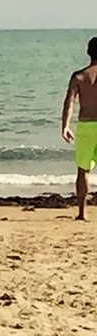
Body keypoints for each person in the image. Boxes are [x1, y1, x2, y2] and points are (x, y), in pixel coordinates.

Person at [60, 37, 97, 221]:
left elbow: (69, 103)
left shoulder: (79, 76)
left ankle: (82, 213)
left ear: (88, 53)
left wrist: (65, 126)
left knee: (83, 170)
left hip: (86, 126)